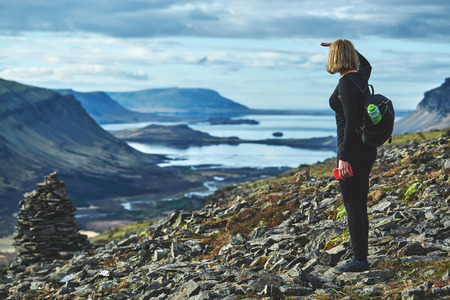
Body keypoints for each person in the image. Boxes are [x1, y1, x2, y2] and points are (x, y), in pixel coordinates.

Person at [321, 39, 377, 273]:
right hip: (365, 149)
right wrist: (344, 45)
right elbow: (367, 64)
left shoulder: (346, 83)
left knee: (353, 207)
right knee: (359, 206)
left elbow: (352, 121)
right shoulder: (361, 76)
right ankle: (361, 257)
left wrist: (343, 158)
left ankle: (360, 261)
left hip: (351, 152)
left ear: (335, 57)